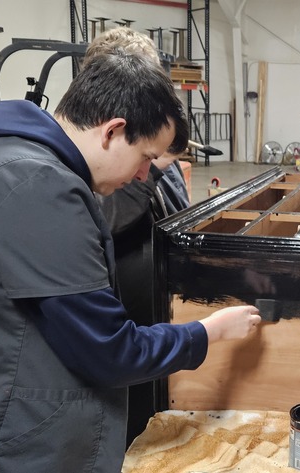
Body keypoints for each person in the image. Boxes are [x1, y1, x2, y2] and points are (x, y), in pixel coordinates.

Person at [0, 39, 261, 472]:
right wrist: (208, 332)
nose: (145, 175)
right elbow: (110, 352)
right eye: (145, 158)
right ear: (111, 130)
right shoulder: (38, 187)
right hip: (7, 442)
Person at [85, 26, 194, 446]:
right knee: (132, 428)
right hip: (128, 329)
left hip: (155, 322)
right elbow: (109, 216)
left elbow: (177, 214)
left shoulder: (148, 164)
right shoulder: (99, 169)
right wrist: (155, 165)